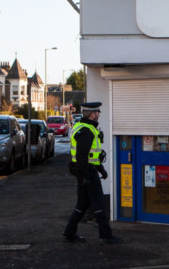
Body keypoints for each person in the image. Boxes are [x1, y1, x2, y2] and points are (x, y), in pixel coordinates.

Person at [63, 102, 123, 244]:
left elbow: (89, 156)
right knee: (99, 203)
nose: (99, 115)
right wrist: (85, 177)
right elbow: (82, 156)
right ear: (93, 114)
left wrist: (101, 169)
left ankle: (70, 232)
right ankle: (106, 236)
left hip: (85, 170)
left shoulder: (81, 127)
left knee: (83, 203)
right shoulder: (88, 131)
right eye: (98, 113)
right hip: (87, 172)